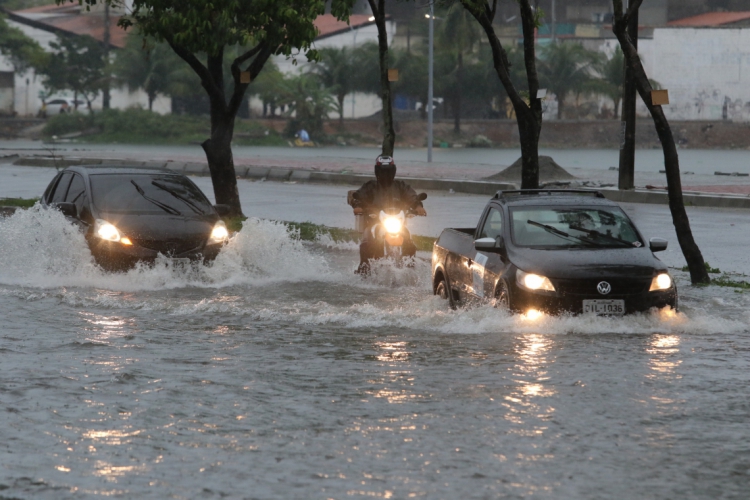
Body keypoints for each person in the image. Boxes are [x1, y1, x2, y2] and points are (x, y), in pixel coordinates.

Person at [350, 155, 427, 273]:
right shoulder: (370, 186)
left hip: (396, 222)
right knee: (367, 241)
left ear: (393, 171)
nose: (386, 174)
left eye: (388, 171)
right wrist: (358, 205)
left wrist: (418, 206)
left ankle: (410, 268)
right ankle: (364, 269)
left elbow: (412, 196)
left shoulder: (401, 186)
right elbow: (359, 196)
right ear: (377, 171)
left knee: (408, 239)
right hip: (374, 222)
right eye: (383, 171)